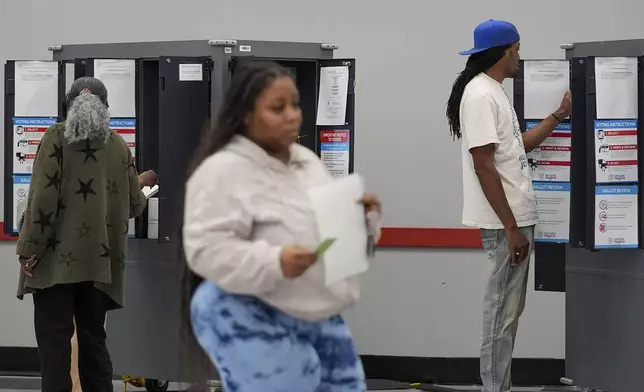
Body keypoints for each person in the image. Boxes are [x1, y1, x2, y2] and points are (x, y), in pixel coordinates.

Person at [181, 61, 381, 391]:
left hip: (321, 316)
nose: (293, 115)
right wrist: (275, 262)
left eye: (295, 104)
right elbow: (206, 250)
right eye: (278, 108)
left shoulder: (307, 162)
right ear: (246, 115)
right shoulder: (222, 172)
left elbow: (325, 230)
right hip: (256, 314)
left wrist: (360, 222)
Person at [445, 20, 572, 392]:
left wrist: (557, 117)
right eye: (519, 49)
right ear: (506, 51)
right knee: (501, 312)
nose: (521, 56)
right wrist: (512, 227)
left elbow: (515, 149)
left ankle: (498, 385)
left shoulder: (493, 92)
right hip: (506, 226)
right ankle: (494, 388)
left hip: (513, 221)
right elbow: (483, 165)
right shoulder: (481, 96)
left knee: (508, 312)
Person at [15, 76, 158, 392]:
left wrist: (29, 248)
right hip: (100, 263)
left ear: (68, 106)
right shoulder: (118, 145)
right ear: (106, 108)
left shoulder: (56, 137)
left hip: (55, 264)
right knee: (94, 341)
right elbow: (134, 205)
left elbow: (42, 198)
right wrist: (144, 187)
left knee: (55, 345)